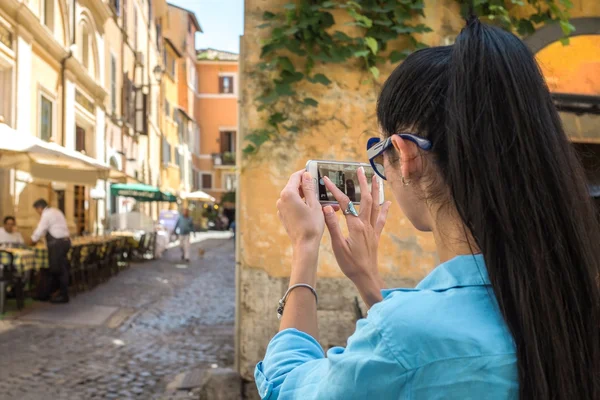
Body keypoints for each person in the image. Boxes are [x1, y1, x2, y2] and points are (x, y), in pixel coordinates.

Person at [255, 18, 600, 400]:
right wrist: (370, 285)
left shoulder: (404, 337)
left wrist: (305, 247)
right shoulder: (571, 298)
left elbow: (287, 384)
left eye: (378, 152)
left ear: (405, 154)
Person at [31, 199, 71, 304]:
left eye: (37, 210)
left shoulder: (47, 214)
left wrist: (32, 240)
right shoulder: (56, 211)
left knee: (59, 270)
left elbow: (40, 229)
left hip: (57, 244)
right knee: (58, 268)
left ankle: (63, 295)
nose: (38, 213)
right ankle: (51, 293)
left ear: (39, 208)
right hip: (65, 242)